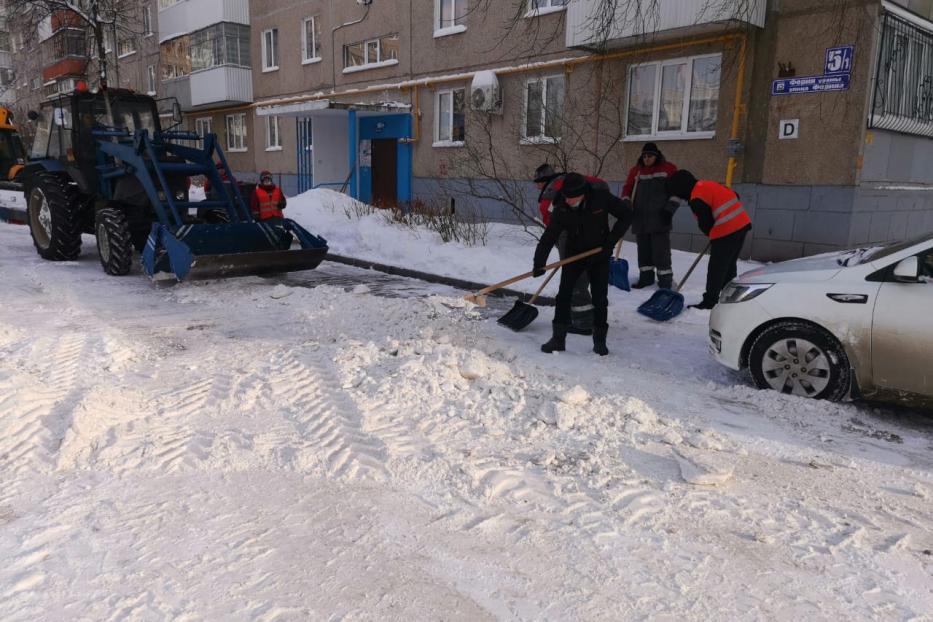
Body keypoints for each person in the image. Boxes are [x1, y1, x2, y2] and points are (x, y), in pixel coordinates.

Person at [533, 172, 633, 356]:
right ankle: (558, 339)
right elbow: (549, 237)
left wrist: (610, 242)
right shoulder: (562, 206)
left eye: (573, 198)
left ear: (583, 193)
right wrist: (538, 262)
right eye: (566, 198)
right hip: (574, 254)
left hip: (599, 254)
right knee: (563, 296)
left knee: (599, 298)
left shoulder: (600, 198)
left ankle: (599, 341)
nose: (569, 201)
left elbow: (626, 215)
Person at [534, 163, 609, 335]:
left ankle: (583, 322)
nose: (536, 186)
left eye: (537, 181)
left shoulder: (552, 190)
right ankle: (573, 314)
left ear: (544, 180)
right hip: (589, 233)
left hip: (569, 235)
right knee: (577, 275)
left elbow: (552, 218)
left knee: (575, 277)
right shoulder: (568, 181)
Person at [666, 170, 752, 310]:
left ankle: (710, 301)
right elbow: (735, 195)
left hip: (727, 230)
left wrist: (713, 235)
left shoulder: (696, 199)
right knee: (728, 265)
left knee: (716, 268)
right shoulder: (706, 184)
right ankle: (730, 297)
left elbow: (705, 223)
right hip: (742, 224)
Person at [621, 143, 679, 290]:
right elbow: (627, 188)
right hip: (640, 218)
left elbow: (677, 192)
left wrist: (669, 210)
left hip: (660, 218)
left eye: (650, 156)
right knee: (644, 252)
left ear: (656, 155)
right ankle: (646, 279)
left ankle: (665, 281)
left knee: (661, 253)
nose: (646, 158)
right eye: (644, 156)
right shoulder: (636, 171)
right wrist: (626, 201)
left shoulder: (668, 169)